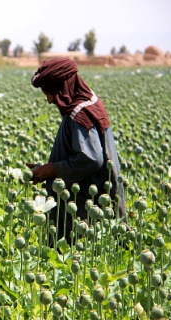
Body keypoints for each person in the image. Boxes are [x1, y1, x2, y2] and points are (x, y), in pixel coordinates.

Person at [27, 57, 126, 242]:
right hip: (92, 198)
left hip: (84, 206)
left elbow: (91, 158)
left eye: (50, 93)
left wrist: (53, 169)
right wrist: (48, 168)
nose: (49, 100)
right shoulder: (89, 101)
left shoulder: (79, 114)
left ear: (64, 87)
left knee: (84, 255)